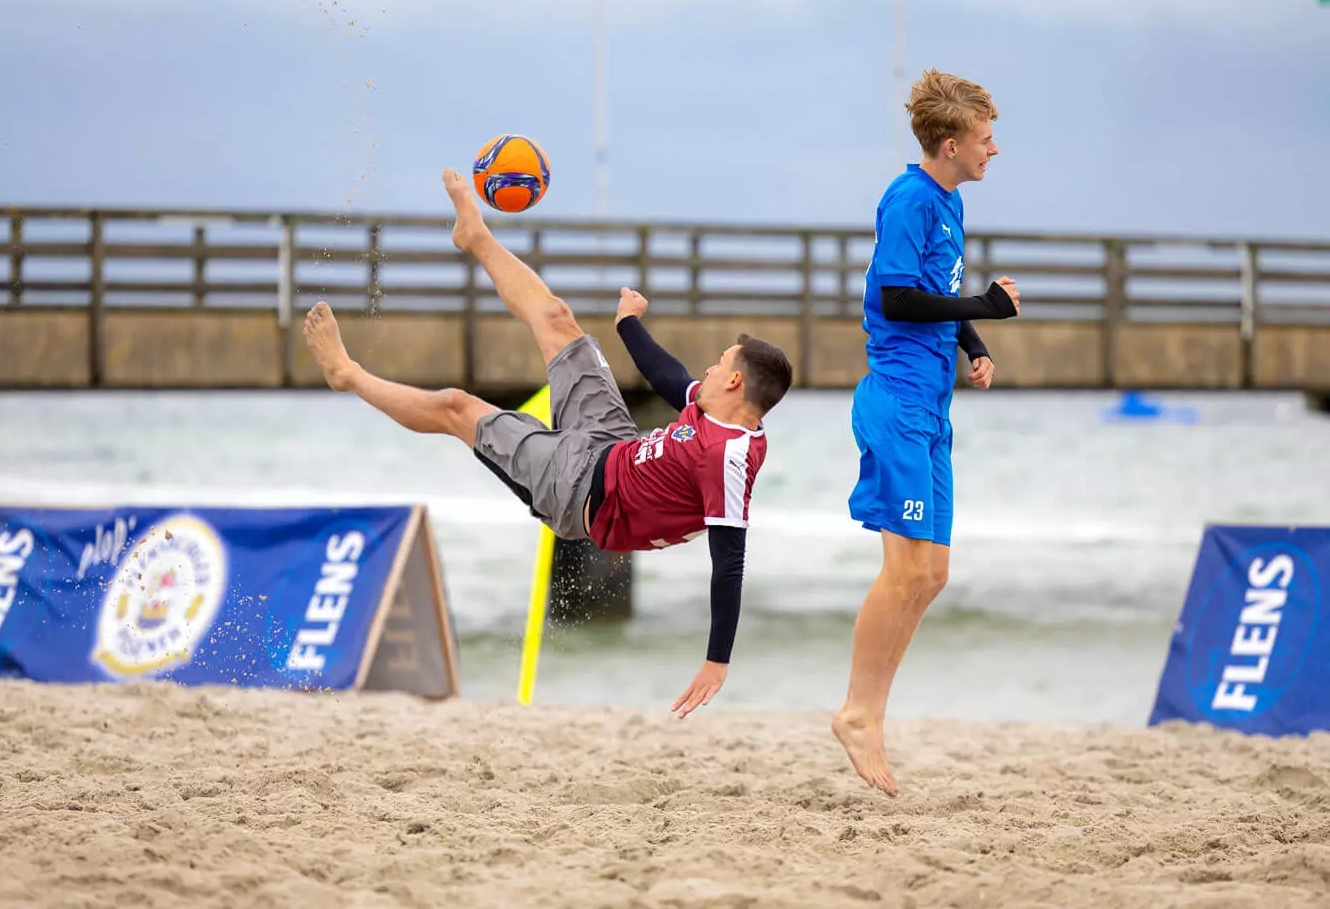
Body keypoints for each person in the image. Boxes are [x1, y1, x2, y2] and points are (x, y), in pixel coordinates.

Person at [303, 169, 794, 717]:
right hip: (613, 444)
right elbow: (667, 376)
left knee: (457, 407)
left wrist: (716, 659)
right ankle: (476, 236)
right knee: (558, 319)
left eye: (721, 361)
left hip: (580, 494)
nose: (711, 364)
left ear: (734, 382)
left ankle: (347, 375)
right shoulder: (713, 407)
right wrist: (628, 325)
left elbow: (729, 563)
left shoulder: (728, 457)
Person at [832, 69, 1022, 797]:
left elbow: (935, 293)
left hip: (930, 408)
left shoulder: (946, 203)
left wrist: (973, 343)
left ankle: (868, 713)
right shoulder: (910, 198)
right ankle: (858, 713)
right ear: (951, 144)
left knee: (933, 575)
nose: (993, 150)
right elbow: (894, 294)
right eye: (984, 139)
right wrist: (985, 305)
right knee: (906, 572)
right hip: (897, 405)